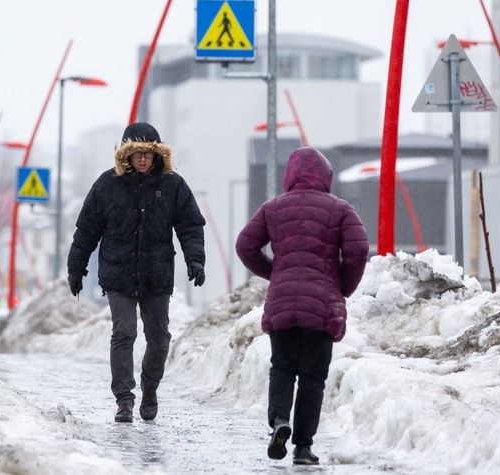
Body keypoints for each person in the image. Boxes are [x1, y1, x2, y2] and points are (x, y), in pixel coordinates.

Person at [235, 147, 368, 465]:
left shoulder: (273, 207)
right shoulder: (340, 209)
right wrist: (342, 285)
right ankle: (303, 447)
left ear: (290, 176)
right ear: (326, 177)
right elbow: (358, 249)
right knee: (312, 377)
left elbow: (245, 245)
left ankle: (280, 420)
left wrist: (275, 271)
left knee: (282, 368)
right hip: (322, 304)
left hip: (283, 301)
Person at [67, 122, 206, 423]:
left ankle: (150, 387)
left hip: (157, 274)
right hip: (119, 274)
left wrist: (196, 260)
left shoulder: (173, 185)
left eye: (148, 153)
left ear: (157, 155)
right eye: (136, 153)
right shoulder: (107, 185)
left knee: (159, 338)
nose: (142, 159)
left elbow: (190, 226)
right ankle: (124, 399)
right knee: (124, 332)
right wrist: (76, 268)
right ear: (125, 156)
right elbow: (86, 230)